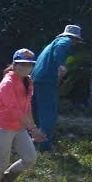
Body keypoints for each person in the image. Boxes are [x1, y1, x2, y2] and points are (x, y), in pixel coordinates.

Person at [0, 49, 46, 182]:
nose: (27, 68)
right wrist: (33, 129)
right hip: (3, 128)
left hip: (19, 128)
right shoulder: (7, 84)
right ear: (15, 64)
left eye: (30, 65)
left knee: (30, 158)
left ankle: (4, 181)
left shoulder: (28, 81)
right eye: (23, 64)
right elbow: (16, 111)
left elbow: (27, 107)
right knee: (0, 165)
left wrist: (33, 127)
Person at [32, 24, 82, 152]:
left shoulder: (52, 43)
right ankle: (45, 146)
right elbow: (60, 50)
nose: (76, 43)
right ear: (74, 38)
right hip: (46, 81)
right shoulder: (64, 41)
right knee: (49, 114)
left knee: (36, 113)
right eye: (77, 40)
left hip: (36, 79)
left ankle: (32, 142)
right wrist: (60, 66)